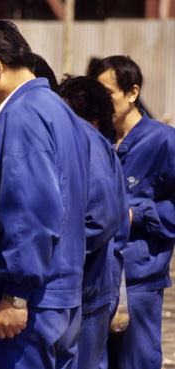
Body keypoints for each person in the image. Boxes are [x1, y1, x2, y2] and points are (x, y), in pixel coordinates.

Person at [0, 20, 90, 369]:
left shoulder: (22, 115)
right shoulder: (58, 110)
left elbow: (32, 212)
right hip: (61, 295)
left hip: (34, 303)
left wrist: (16, 296)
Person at [88, 56, 175, 369]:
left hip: (138, 283)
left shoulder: (163, 141)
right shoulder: (95, 140)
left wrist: (137, 216)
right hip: (95, 281)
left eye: (107, 93)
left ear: (132, 92)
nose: (100, 103)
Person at [58, 75, 130, 369]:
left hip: (88, 284)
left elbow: (102, 219)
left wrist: (57, 253)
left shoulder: (88, 145)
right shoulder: (88, 143)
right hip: (89, 282)